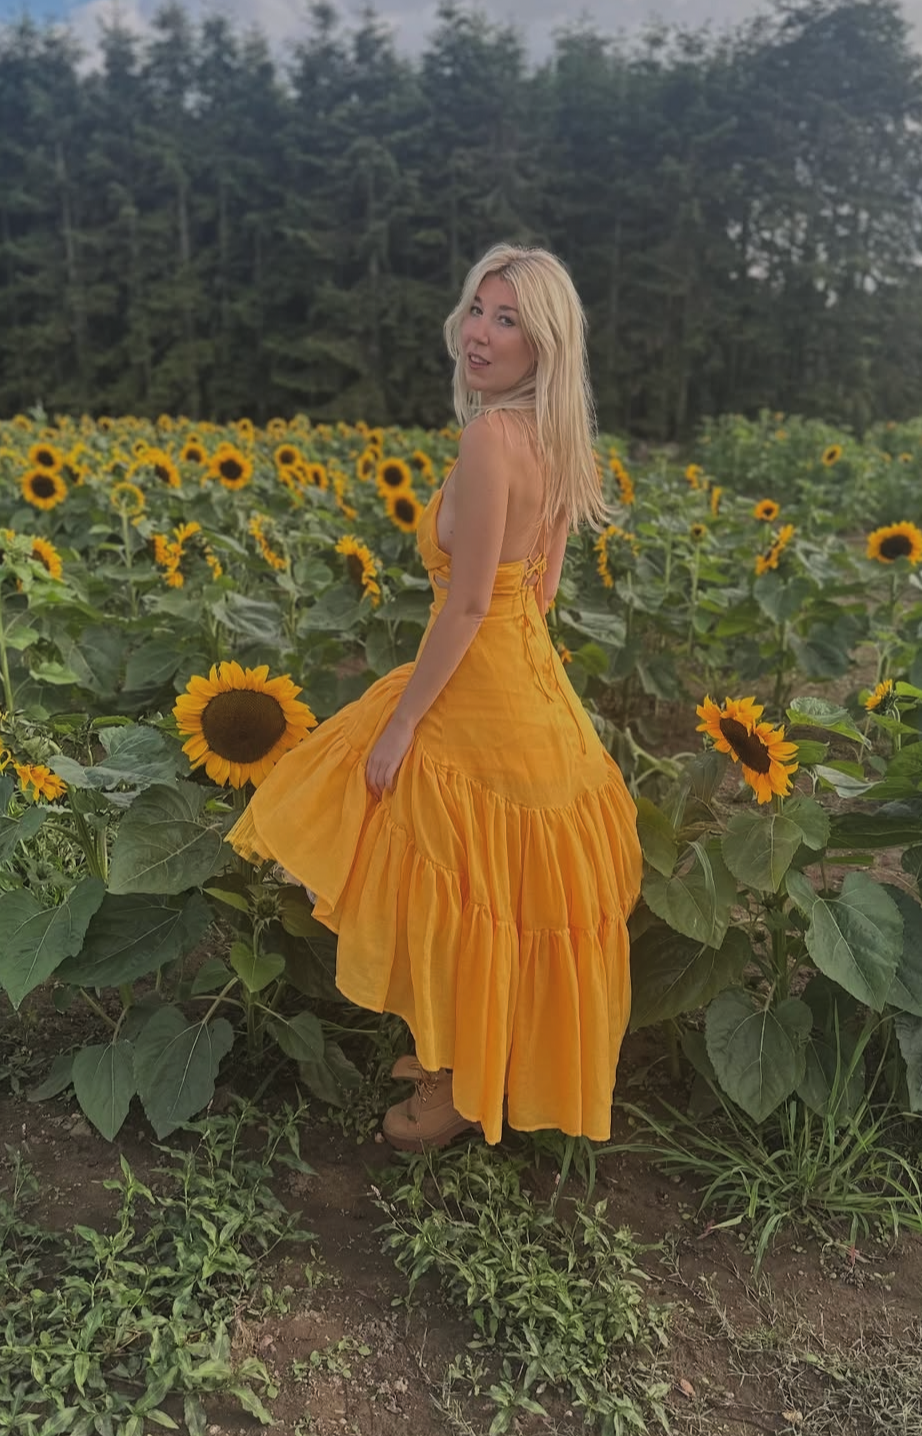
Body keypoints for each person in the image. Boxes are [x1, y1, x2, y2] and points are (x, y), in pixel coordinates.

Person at [227, 242, 643, 1151]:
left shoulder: (493, 437)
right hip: (524, 673)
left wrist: (410, 718)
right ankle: (461, 1047)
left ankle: (461, 1082)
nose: (480, 334)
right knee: (479, 882)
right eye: (477, 310)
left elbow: (467, 600)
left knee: (447, 867)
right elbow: (537, 590)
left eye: (508, 321)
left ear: (544, 345)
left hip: (478, 673)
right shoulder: (558, 437)